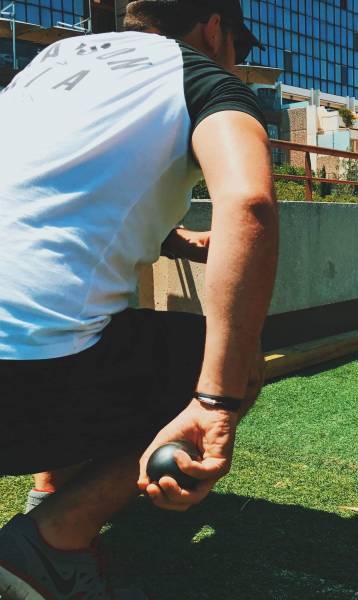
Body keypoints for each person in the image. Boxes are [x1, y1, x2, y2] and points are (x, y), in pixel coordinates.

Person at [0, 0, 279, 597]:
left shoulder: (54, 60)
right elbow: (249, 203)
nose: (239, 63)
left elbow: (46, 182)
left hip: (26, 384)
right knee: (235, 361)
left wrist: (171, 238)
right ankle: (52, 541)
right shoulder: (203, 78)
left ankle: (49, 493)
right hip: (20, 394)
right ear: (214, 29)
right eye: (241, 48)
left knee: (88, 322)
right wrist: (216, 402)